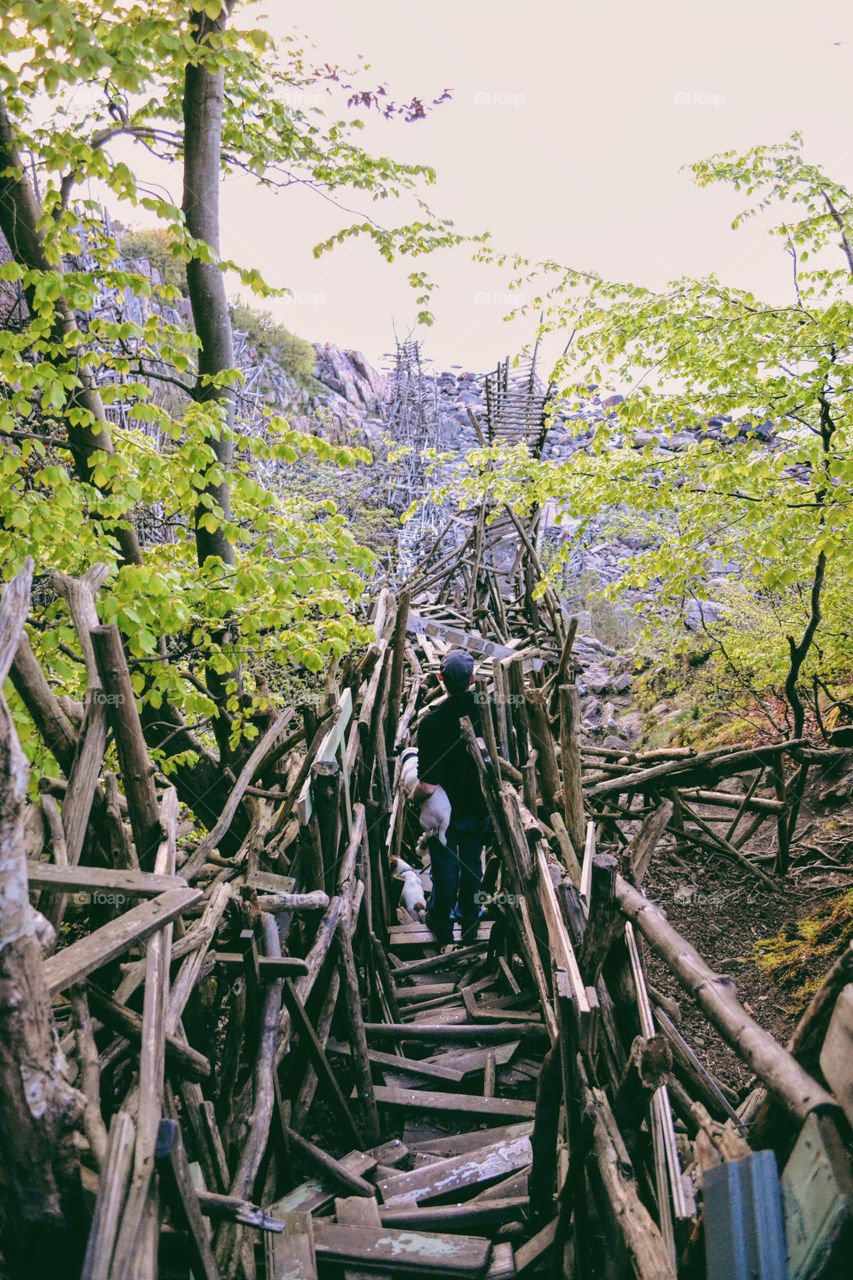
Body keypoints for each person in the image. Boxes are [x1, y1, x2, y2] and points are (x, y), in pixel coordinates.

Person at [411, 649, 490, 947]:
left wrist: (412, 798)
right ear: (473, 680)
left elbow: (428, 785)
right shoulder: (488, 711)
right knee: (473, 866)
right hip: (480, 806)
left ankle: (441, 923)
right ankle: (470, 919)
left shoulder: (432, 723)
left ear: (440, 678)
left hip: (443, 814)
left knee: (444, 870)